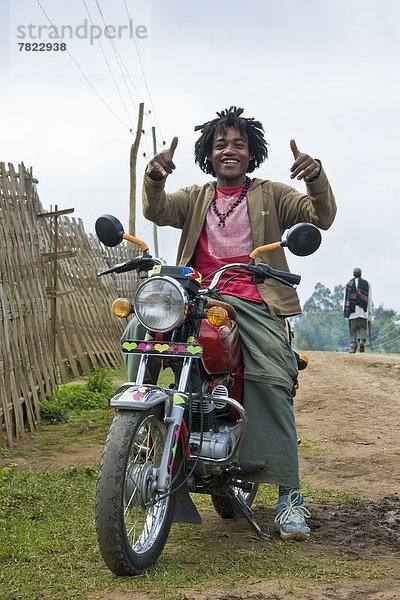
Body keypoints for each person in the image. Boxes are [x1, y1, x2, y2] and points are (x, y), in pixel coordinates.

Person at [123, 106, 336, 540]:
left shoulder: (273, 194)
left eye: (239, 144)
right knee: (138, 332)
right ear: (208, 153)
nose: (229, 151)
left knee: (275, 374)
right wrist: (155, 175)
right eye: (221, 144)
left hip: (253, 298)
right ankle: (141, 435)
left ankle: (289, 497)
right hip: (195, 294)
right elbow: (157, 209)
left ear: (252, 152)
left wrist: (314, 177)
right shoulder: (197, 196)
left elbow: (320, 217)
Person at [344, 268, 372, 353]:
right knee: (362, 328)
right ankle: (361, 342)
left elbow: (345, 299)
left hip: (352, 312)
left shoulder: (349, 284)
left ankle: (353, 346)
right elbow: (369, 299)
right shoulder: (366, 283)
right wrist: (369, 312)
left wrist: (346, 312)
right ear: (361, 274)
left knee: (352, 330)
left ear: (353, 274)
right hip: (362, 312)